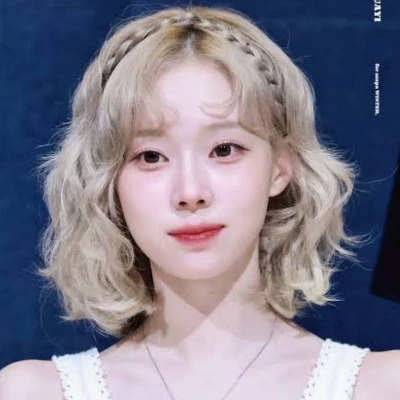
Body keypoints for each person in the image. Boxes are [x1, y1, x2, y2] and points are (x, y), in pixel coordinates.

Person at [0, 5, 399, 400]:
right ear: (108, 182)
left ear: (280, 168)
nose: (190, 192)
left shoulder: (381, 385)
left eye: (224, 149)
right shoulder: (35, 391)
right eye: (151, 156)